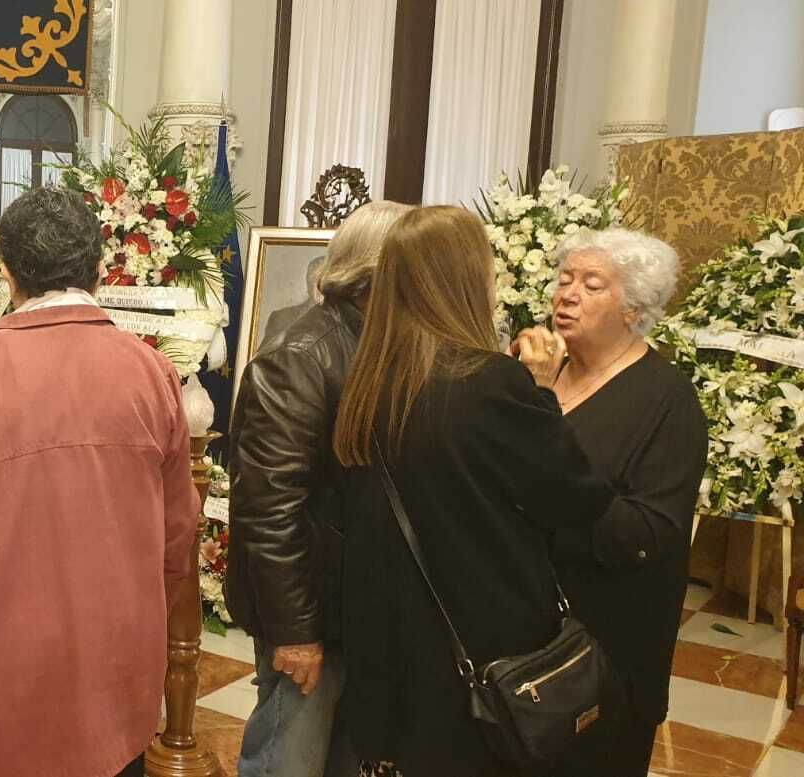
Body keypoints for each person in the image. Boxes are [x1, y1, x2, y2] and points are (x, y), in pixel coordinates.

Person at [0, 187, 199, 777]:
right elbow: (179, 537)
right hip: (117, 672)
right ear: (98, 272)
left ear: (5, 273)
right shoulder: (152, 373)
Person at [330, 206, 619, 777]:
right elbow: (578, 498)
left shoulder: (367, 382)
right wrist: (541, 390)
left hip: (386, 645)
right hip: (477, 648)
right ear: (466, 282)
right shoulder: (490, 381)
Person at [230, 201, 411, 777]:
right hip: (313, 612)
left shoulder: (376, 342)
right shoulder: (301, 356)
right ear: (378, 273)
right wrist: (296, 632)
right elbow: (268, 511)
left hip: (354, 605)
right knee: (288, 763)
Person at [538, 228, 706, 776]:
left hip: (608, 645)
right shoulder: (548, 373)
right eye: (564, 280)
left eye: (592, 285)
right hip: (527, 631)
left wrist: (536, 421)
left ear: (634, 308)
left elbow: (645, 534)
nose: (567, 295)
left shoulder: (667, 399)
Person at [259, 253, 327, 349]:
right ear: (308, 285)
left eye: (326, 281)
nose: (321, 287)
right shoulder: (281, 318)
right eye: (315, 280)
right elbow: (263, 359)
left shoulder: (344, 322)